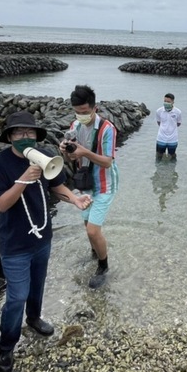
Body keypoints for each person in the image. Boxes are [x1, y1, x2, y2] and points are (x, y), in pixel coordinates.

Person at [0, 111, 91, 372]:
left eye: (29, 133)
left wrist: (75, 199)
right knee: (16, 296)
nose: (25, 137)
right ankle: (6, 347)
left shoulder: (43, 154)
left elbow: (57, 185)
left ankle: (33, 318)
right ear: (9, 137)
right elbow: (0, 204)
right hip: (15, 245)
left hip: (42, 238)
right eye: (19, 133)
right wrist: (23, 179)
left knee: (37, 285)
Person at [60, 85, 119, 289]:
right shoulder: (75, 126)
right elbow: (70, 157)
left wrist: (84, 151)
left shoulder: (107, 129)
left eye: (85, 112)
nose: (81, 115)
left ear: (95, 108)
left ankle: (103, 266)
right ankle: (95, 254)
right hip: (85, 183)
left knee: (94, 231)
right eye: (78, 112)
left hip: (104, 183)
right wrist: (65, 151)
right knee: (87, 227)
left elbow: (108, 162)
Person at [155, 93, 182, 160]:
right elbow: (159, 122)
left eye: (168, 102)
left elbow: (178, 123)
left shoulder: (178, 112)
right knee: (159, 155)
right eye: (165, 101)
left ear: (173, 102)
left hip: (173, 138)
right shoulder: (159, 111)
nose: (166, 103)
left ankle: (172, 169)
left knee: (172, 155)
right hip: (161, 138)